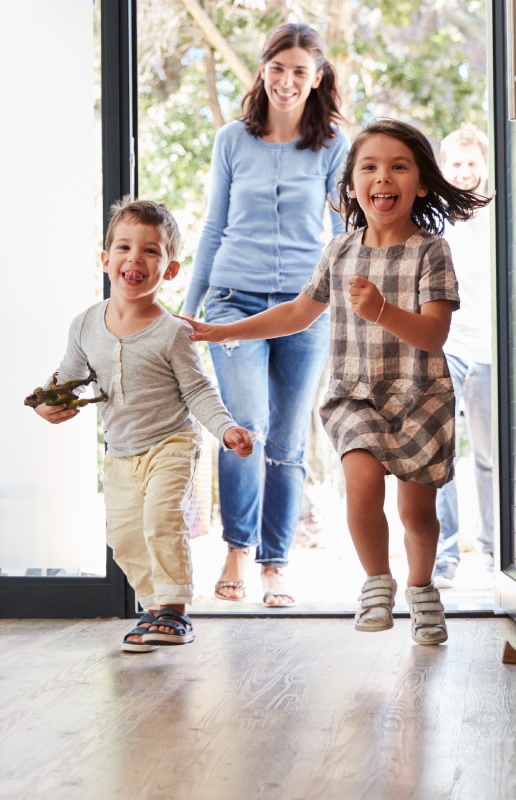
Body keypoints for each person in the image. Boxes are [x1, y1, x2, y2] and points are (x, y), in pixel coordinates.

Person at [179, 118, 490, 645]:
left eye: (398, 166)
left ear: (421, 183)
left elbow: (434, 335)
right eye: (368, 167)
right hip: (356, 396)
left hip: (421, 397)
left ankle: (422, 589)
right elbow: (298, 313)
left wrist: (383, 310)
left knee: (417, 512)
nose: (382, 177)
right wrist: (221, 329)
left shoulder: (431, 251)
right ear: (351, 185)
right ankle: (376, 582)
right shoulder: (340, 252)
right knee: (362, 487)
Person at [34, 196, 253, 653]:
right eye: (125, 248)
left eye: (151, 251)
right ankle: (154, 608)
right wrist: (46, 403)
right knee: (125, 536)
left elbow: (198, 391)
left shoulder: (173, 331)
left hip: (170, 441)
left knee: (161, 519)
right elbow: (68, 378)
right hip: (119, 451)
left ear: (170, 270)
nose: (135, 258)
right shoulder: (84, 324)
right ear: (106, 260)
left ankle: (174, 611)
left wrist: (226, 429)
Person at [182, 22, 350, 607]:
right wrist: (187, 311)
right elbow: (212, 226)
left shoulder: (333, 146)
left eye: (299, 71)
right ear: (263, 70)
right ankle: (236, 548)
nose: (286, 81)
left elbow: (343, 235)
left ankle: (274, 563)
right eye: (277, 68)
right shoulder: (233, 139)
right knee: (244, 427)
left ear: (317, 77)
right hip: (232, 300)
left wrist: (348, 305)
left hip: (306, 308)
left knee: (286, 439)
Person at [431, 125, 496, 587]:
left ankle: (496, 551)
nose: (465, 171)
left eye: (473, 162)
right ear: (444, 167)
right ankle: (446, 556)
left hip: (492, 349)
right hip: (447, 347)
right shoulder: (435, 222)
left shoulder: (500, 216)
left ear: (486, 166)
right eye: (456, 163)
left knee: (491, 456)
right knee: (442, 455)